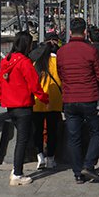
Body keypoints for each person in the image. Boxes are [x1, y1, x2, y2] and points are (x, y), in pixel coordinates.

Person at [0, 31, 49, 186]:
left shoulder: (6, 61)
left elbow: (0, 82)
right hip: (23, 105)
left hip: (10, 106)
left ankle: (16, 169)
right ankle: (17, 173)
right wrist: (44, 98)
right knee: (22, 140)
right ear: (27, 45)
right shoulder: (24, 62)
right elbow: (34, 84)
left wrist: (0, 97)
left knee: (20, 138)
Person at [57, 18, 99, 184]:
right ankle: (89, 165)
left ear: (70, 32)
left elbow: (60, 74)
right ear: (85, 32)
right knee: (97, 132)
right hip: (88, 97)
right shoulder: (91, 50)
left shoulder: (61, 52)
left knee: (73, 137)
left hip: (69, 99)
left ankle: (78, 173)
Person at [31, 33, 62, 170]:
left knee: (38, 130)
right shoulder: (57, 61)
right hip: (54, 100)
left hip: (38, 100)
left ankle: (40, 156)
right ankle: (50, 158)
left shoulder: (36, 63)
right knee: (52, 131)